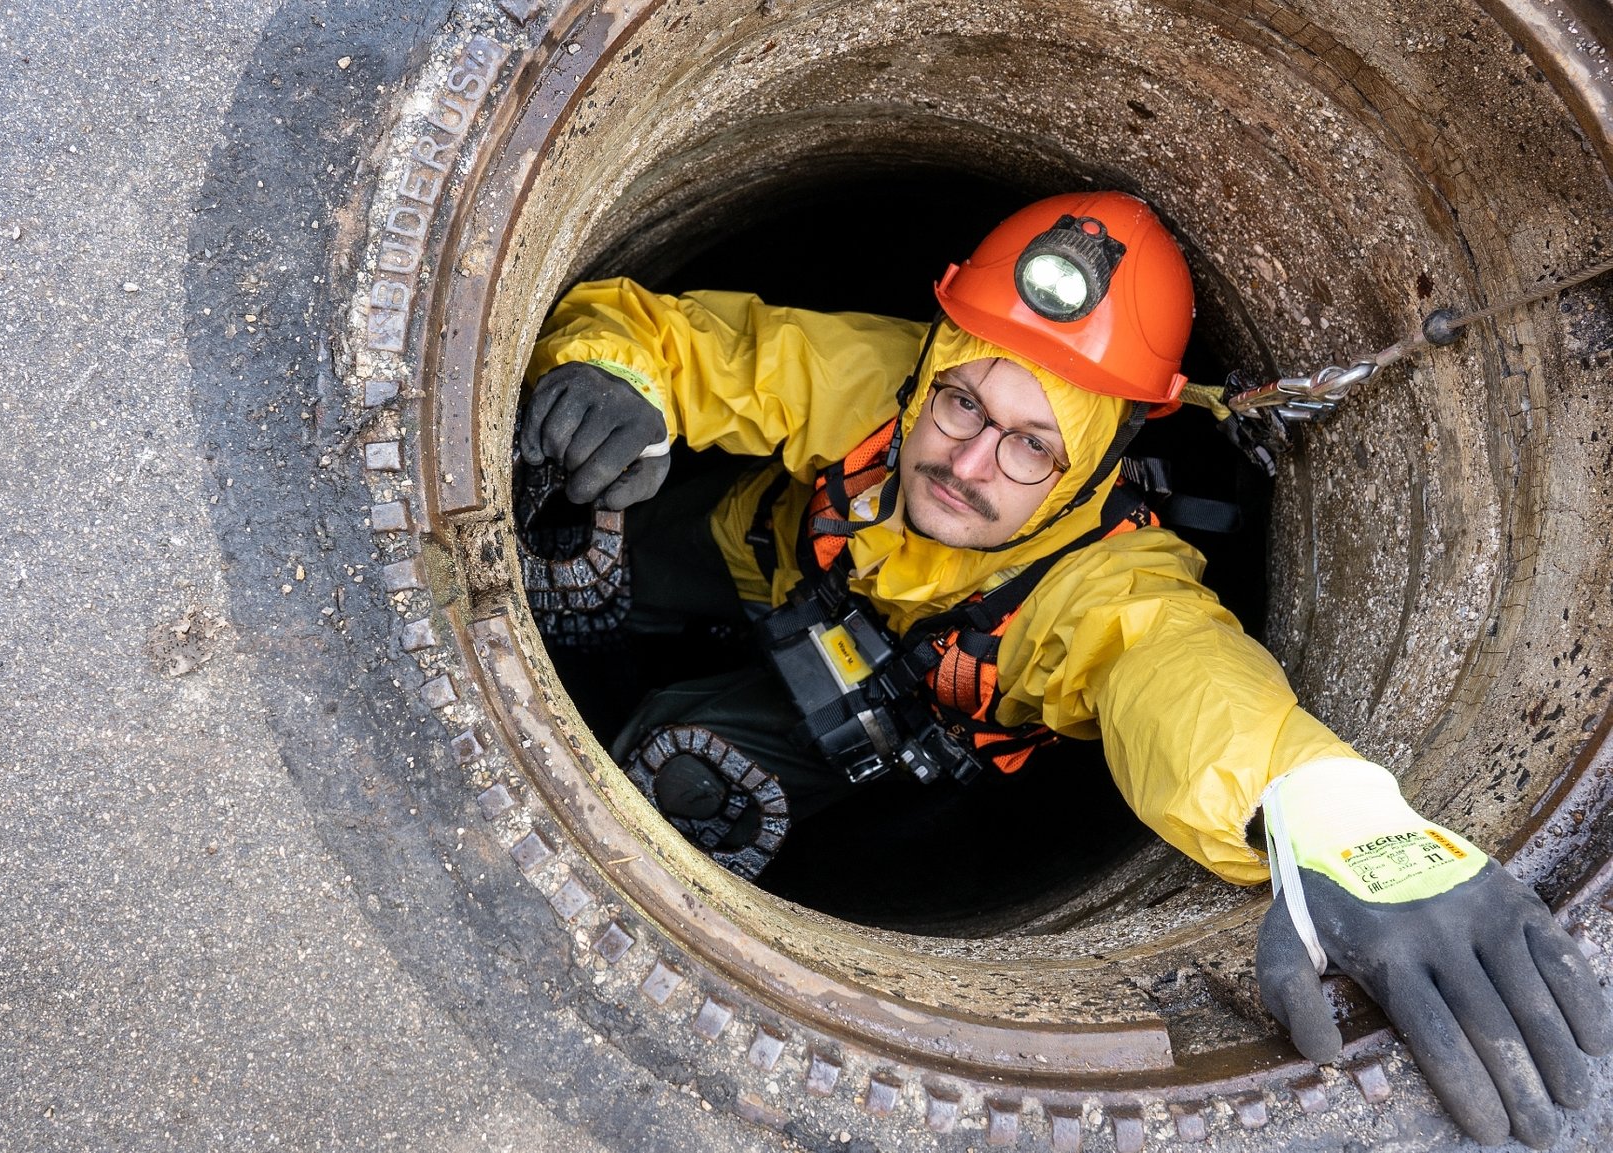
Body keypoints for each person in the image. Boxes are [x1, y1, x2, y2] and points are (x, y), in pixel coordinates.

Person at [516, 191, 1611, 1149]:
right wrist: (612, 381)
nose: (965, 461)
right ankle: (578, 605)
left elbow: (1187, 683)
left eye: (1031, 446)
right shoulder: (875, 381)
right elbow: (682, 339)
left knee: (678, 774)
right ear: (935, 367)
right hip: (757, 563)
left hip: (860, 716)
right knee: (578, 496)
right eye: (962, 404)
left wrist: (1330, 820)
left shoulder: (1104, 590)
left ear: (1090, 456)